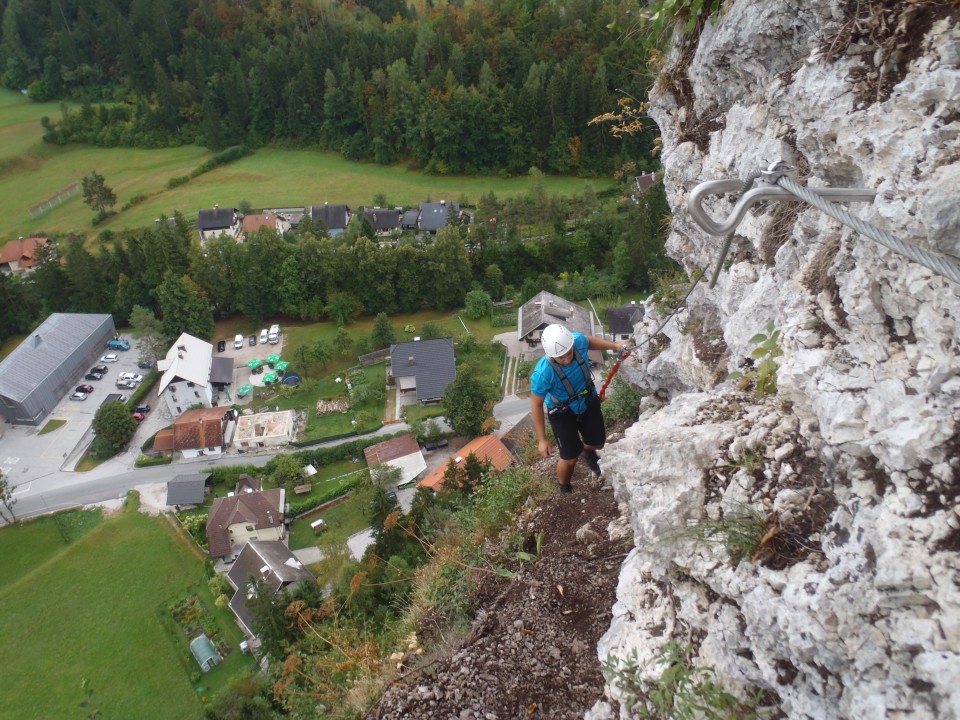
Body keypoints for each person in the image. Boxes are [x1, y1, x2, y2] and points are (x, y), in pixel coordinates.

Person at [530, 324, 632, 492]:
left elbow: (589, 341)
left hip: (587, 400)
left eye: (569, 353)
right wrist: (542, 439)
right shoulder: (543, 373)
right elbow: (536, 404)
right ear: (551, 355)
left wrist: (615, 346)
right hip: (562, 412)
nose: (567, 359)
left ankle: (588, 453)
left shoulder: (576, 341)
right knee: (569, 458)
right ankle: (565, 488)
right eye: (561, 357)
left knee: (597, 442)